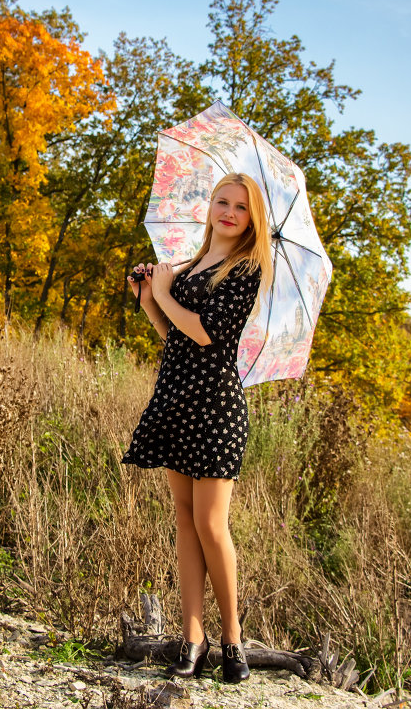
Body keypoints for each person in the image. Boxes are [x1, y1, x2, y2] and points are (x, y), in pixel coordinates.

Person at [122, 172, 274, 684]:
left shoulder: (247, 269)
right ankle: (193, 636)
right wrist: (149, 296)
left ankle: (232, 638)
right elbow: (174, 335)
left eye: (241, 207)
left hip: (215, 408)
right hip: (176, 401)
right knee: (185, 523)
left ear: (253, 219)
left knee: (212, 525)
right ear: (209, 206)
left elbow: (206, 334)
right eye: (222, 201)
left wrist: (165, 293)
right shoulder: (191, 263)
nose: (229, 212)